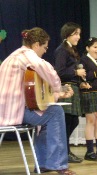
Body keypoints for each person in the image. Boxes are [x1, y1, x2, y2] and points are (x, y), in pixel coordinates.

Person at [0, 27, 76, 175]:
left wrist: (57, 95)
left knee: (48, 115)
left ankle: (43, 164)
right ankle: (59, 165)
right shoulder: (27, 55)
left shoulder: (13, 56)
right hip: (15, 112)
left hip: (7, 110)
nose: (45, 51)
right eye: (45, 47)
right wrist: (58, 89)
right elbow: (46, 69)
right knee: (56, 112)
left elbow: (33, 96)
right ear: (36, 45)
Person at [54, 22, 89, 163]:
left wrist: (81, 82)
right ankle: (64, 152)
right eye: (75, 34)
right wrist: (76, 72)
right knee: (68, 121)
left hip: (74, 87)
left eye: (79, 34)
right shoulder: (62, 50)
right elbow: (59, 72)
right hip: (66, 88)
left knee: (73, 120)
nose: (78, 37)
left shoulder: (72, 50)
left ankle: (65, 150)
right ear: (67, 34)